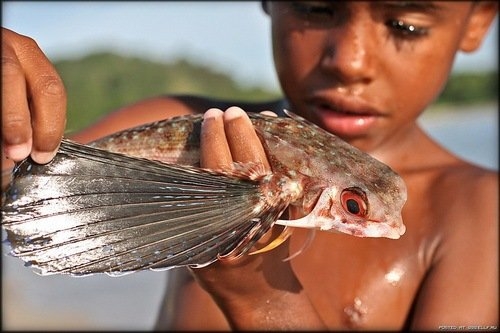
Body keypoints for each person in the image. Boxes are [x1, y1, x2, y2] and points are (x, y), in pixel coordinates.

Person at [2, 1, 498, 330]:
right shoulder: (192, 125)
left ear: (478, 21)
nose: (349, 60)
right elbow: (24, 195)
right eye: (316, 7)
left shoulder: (482, 214)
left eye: (404, 25)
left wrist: (252, 285)